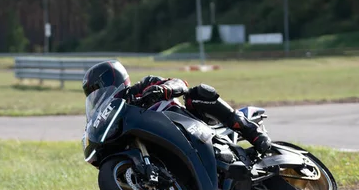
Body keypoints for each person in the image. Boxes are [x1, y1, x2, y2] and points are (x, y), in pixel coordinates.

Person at [82, 60, 272, 154]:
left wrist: (162, 89)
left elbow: (179, 83)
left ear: (113, 78)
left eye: (100, 88)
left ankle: (250, 131)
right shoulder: (117, 115)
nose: (98, 95)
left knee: (197, 94)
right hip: (165, 143)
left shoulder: (142, 87)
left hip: (191, 125)